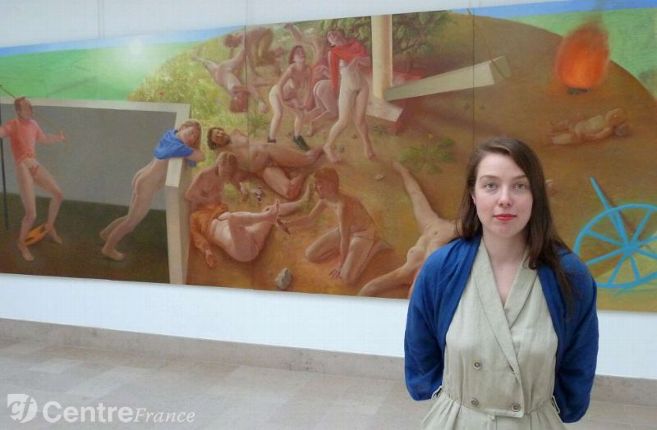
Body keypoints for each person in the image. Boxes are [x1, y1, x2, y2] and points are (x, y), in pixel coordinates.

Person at [405, 137, 598, 428]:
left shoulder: (569, 275)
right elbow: (420, 348)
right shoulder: (441, 267)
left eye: (519, 186)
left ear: (535, 195)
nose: (505, 199)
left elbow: (579, 361)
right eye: (490, 185)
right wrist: (452, 399)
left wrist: (545, 407)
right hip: (458, 420)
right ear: (473, 195)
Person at [100, 120, 205, 261]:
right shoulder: (177, 147)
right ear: (183, 127)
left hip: (142, 177)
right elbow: (201, 156)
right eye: (191, 132)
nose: (192, 138)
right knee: (131, 223)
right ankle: (108, 249)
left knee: (130, 216)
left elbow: (191, 158)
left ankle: (105, 234)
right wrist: (193, 149)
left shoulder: (170, 136)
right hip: (146, 185)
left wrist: (189, 146)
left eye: (195, 137)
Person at [358, 161, 457, 297]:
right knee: (368, 288)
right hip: (408, 272)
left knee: (413, 297)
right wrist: (403, 171)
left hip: (428, 276)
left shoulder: (460, 232)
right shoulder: (430, 222)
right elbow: (415, 194)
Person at [282, 166, 388, 285]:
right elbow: (310, 219)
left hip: (362, 234)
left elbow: (345, 238)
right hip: (346, 231)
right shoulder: (325, 199)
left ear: (330, 185)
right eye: (315, 183)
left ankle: (375, 248)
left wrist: (340, 265)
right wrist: (288, 224)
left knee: (347, 278)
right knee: (310, 255)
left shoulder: (343, 206)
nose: (315, 187)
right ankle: (345, 252)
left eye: (319, 183)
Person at [0, 96, 66, 261]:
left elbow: (43, 139)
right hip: (23, 167)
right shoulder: (13, 124)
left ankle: (49, 226)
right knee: (31, 214)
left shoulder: (34, 124)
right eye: (26, 107)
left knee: (58, 194)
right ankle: (21, 243)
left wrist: (58, 138)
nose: (31, 109)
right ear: (18, 111)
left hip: (34, 164)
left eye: (30, 105)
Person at [189, 184, 311, 267]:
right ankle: (267, 217)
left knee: (267, 209)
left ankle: (301, 203)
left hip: (250, 234)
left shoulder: (218, 205)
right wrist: (207, 252)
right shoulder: (195, 216)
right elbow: (197, 237)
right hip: (239, 249)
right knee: (233, 219)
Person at [207, 127, 322, 200]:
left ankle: (324, 147)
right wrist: (241, 189)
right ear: (216, 144)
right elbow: (229, 176)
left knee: (309, 159)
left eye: (219, 132)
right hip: (263, 169)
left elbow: (255, 142)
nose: (220, 135)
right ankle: (303, 173)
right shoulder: (223, 154)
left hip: (269, 151)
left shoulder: (236, 132)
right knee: (290, 193)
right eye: (216, 137)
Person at [322, 30, 375, 163]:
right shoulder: (333, 53)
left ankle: (367, 144)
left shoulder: (355, 44)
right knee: (343, 121)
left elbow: (368, 62)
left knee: (360, 120)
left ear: (340, 33)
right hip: (347, 88)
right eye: (329, 36)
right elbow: (334, 74)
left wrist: (356, 59)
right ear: (330, 42)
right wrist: (334, 91)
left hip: (362, 86)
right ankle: (328, 146)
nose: (332, 35)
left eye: (333, 32)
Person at [193, 48, 268, 114]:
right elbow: (251, 88)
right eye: (242, 101)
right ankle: (197, 58)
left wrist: (260, 102)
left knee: (239, 58)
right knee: (208, 65)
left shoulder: (235, 89)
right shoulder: (237, 93)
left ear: (235, 98)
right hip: (220, 78)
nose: (243, 98)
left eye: (239, 99)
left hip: (223, 70)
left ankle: (244, 43)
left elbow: (250, 87)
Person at [267, 45, 312, 150]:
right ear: (293, 58)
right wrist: (283, 102)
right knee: (278, 114)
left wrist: (304, 102)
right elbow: (279, 86)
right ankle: (271, 140)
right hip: (277, 94)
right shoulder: (291, 70)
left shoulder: (308, 70)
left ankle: (297, 137)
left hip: (291, 97)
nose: (301, 54)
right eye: (298, 53)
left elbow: (308, 89)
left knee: (301, 115)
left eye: (302, 51)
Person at [549, 107, 629, 145]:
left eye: (617, 117)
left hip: (582, 133)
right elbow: (589, 120)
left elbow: (598, 136)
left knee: (572, 137)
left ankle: (554, 140)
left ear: (617, 124)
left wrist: (589, 137)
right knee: (569, 122)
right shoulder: (601, 117)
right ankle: (555, 127)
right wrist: (581, 118)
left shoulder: (608, 128)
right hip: (580, 124)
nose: (613, 116)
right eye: (613, 112)